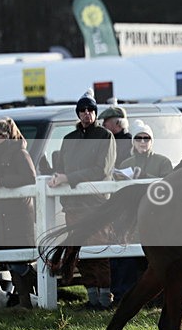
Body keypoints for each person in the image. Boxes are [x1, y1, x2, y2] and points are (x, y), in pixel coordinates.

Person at [48, 91, 116, 309]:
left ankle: (105, 298)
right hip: (74, 204)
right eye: (83, 110)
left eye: (90, 110)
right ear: (78, 113)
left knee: (99, 250)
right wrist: (58, 177)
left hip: (96, 203)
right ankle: (92, 297)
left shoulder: (105, 136)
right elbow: (61, 167)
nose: (87, 114)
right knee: (79, 252)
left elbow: (101, 170)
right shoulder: (68, 140)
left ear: (95, 113)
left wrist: (69, 178)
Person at [111, 120, 172, 304]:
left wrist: (144, 177)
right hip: (134, 216)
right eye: (139, 138)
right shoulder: (126, 163)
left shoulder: (163, 161)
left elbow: (169, 186)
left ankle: (159, 298)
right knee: (131, 258)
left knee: (156, 258)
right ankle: (129, 297)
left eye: (147, 138)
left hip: (157, 216)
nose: (143, 141)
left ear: (152, 141)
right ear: (133, 141)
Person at [0, 117, 37, 309]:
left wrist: (2, 181)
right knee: (8, 259)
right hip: (0, 213)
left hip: (18, 213)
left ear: (6, 136)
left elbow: (30, 178)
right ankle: (22, 301)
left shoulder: (19, 153)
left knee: (18, 261)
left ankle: (27, 300)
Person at [98, 102, 132, 167]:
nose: (103, 124)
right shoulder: (107, 139)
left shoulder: (128, 142)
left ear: (117, 122)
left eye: (106, 120)